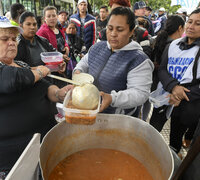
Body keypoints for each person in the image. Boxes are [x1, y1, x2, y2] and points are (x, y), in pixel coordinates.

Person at [0, 16, 72, 179]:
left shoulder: (23, 65)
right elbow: (13, 80)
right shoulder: (21, 72)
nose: (11, 42)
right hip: (14, 159)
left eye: (14, 38)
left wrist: (59, 93)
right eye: (5, 39)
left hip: (45, 143)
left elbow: (44, 87)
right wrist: (43, 70)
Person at [74, 7, 153, 117]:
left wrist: (112, 98)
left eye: (120, 30)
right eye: (110, 28)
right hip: (88, 109)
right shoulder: (97, 47)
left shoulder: (139, 60)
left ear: (131, 32)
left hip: (117, 118)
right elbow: (85, 62)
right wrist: (78, 71)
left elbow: (140, 93)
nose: (113, 34)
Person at [158, 8, 200, 155]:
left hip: (195, 98)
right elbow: (162, 69)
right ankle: (175, 155)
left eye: (198, 23)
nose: (191, 26)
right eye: (189, 22)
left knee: (193, 130)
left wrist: (181, 95)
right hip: (173, 95)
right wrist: (173, 88)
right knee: (175, 133)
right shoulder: (173, 45)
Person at [149, 15, 185, 128]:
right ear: (180, 28)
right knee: (159, 120)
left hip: (156, 85)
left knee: (155, 119)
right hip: (166, 89)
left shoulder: (159, 39)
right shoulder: (175, 46)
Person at [16, 11, 66, 88]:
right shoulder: (17, 45)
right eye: (28, 24)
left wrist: (61, 63)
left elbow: (54, 53)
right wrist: (37, 70)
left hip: (49, 84)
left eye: (34, 24)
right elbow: (16, 69)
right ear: (21, 26)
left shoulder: (42, 40)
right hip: (31, 87)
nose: (32, 27)